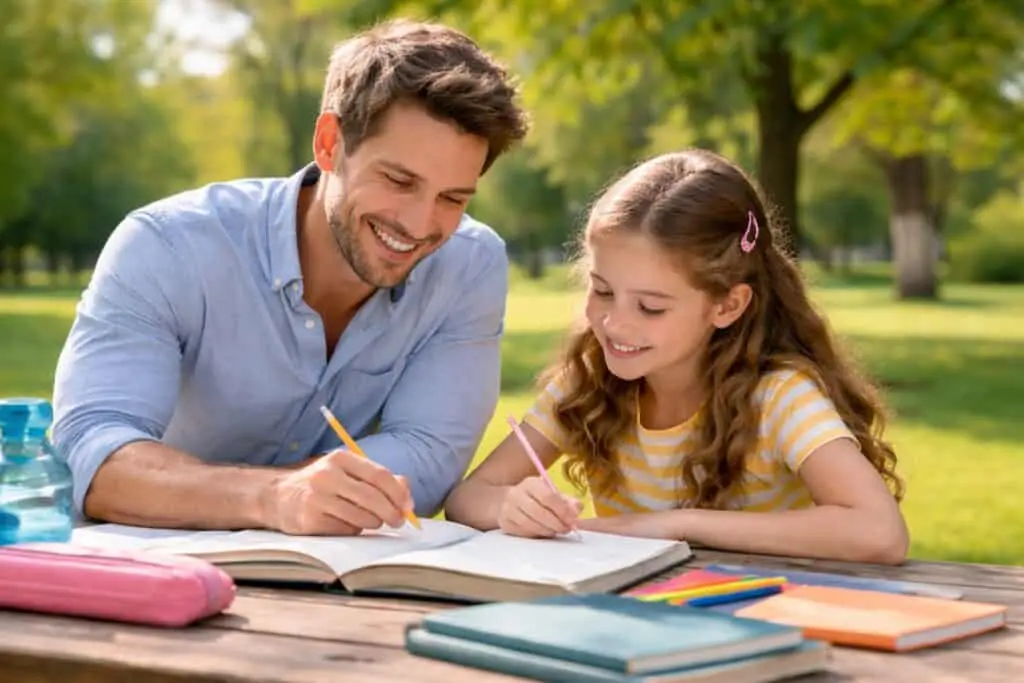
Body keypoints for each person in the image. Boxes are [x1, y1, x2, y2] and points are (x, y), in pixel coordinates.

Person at [51, 19, 530, 535]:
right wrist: (273, 498)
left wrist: (301, 499)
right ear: (329, 144)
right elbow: (88, 451)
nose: (419, 225)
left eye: (452, 199)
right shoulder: (167, 246)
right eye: (398, 180)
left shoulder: (469, 265)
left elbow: (428, 452)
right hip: (150, 574)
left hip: (333, 586)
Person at [444, 148, 910, 565]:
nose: (614, 324)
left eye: (651, 307)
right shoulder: (586, 383)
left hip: (761, 616)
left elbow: (879, 532)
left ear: (727, 305)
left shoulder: (779, 396)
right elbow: (468, 498)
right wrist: (510, 507)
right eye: (602, 290)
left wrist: (678, 526)